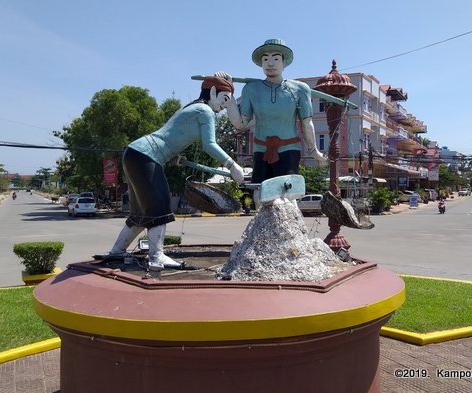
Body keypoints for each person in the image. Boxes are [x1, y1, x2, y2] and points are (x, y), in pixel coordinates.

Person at [107, 76, 244, 272]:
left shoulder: (190, 108)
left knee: (142, 211)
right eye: (224, 99)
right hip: (146, 155)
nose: (224, 106)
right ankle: (156, 256)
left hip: (135, 153)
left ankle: (117, 250)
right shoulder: (204, 111)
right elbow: (209, 145)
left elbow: (171, 135)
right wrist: (232, 165)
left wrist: (174, 158)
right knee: (160, 204)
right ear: (213, 92)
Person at [225, 38, 327, 188]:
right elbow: (241, 124)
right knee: (259, 193)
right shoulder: (251, 89)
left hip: (289, 149)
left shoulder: (300, 89)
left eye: (275, 59)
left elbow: (307, 122)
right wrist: (229, 95)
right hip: (261, 150)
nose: (270, 63)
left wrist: (314, 150)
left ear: (284, 62)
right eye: (265, 59)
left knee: (287, 195)